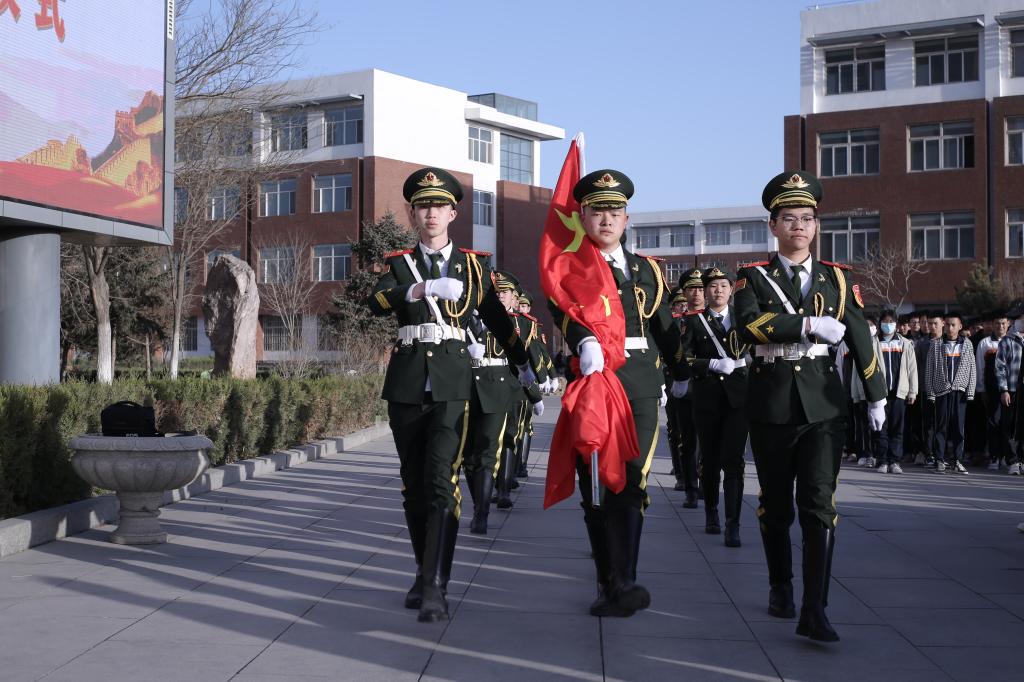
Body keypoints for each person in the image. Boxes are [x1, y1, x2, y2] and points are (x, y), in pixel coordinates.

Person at [367, 167, 534, 623]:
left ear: (453, 213)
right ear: (412, 214)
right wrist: (420, 288)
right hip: (407, 384)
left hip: (453, 386)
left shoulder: (475, 266)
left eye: (439, 206)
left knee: (442, 480)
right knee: (413, 485)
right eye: (423, 206)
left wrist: (523, 362)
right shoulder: (399, 264)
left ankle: (436, 584)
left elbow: (497, 318)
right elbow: (374, 302)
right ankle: (423, 571)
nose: (431, 213)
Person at [734, 170, 886, 643]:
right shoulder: (752, 278)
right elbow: (749, 325)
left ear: (817, 225)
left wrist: (877, 392)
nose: (798, 226)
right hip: (773, 402)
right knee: (777, 505)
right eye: (788, 218)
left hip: (823, 404)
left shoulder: (837, 279)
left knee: (819, 503)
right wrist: (807, 325)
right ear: (773, 226)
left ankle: (815, 608)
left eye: (806, 218)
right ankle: (781, 585)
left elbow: (859, 334)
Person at [548, 168, 687, 618]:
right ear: (583, 217)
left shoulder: (648, 269)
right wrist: (583, 341)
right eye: (597, 211)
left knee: (630, 478)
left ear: (627, 218)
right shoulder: (569, 265)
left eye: (614, 211)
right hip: (594, 381)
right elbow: (562, 312)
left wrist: (682, 370)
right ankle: (608, 580)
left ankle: (624, 579)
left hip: (640, 381)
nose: (606, 219)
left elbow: (664, 324)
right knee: (594, 483)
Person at [681, 266, 751, 546]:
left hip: (738, 400)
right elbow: (684, 358)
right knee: (709, 459)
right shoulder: (693, 322)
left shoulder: (744, 319)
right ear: (705, 291)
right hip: (707, 398)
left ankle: (733, 523)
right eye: (712, 286)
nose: (718, 290)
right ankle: (712, 512)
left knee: (734, 461)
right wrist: (709, 363)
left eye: (723, 285)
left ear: (731, 289)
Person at [858, 309, 918, 474]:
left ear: (896, 324)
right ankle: (883, 460)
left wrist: (912, 392)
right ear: (880, 324)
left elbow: (912, 369)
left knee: (897, 428)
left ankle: (895, 461)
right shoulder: (873, 343)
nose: (888, 325)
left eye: (891, 322)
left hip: (899, 392)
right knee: (881, 428)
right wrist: (866, 392)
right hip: (880, 393)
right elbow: (866, 369)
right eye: (885, 322)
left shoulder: (905, 343)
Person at [925, 313, 976, 474]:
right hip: (942, 391)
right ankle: (939, 459)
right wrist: (930, 392)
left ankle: (957, 460)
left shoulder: (967, 344)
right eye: (947, 324)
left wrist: (970, 391)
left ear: (960, 326)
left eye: (953, 325)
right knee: (941, 426)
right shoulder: (936, 344)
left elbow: (972, 368)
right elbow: (929, 369)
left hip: (959, 392)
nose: (950, 328)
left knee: (959, 427)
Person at [673, 268, 706, 506]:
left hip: (710, 385)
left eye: (701, 288)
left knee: (709, 440)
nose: (697, 293)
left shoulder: (715, 318)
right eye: (691, 289)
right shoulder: (677, 321)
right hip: (685, 386)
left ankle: (705, 483)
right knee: (687, 439)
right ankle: (691, 487)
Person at [664, 287, 695, 501]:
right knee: (675, 428)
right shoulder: (669, 323)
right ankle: (680, 472)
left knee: (694, 429)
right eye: (679, 304)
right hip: (672, 377)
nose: (683, 306)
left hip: (694, 377)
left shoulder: (694, 320)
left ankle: (693, 471)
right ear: (672, 306)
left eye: (685, 303)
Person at [995, 302, 1024, 475]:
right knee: (1010, 425)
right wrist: (1004, 389)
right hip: (1012, 389)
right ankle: (1012, 460)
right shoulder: (1007, 340)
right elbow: (1000, 367)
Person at [977, 312, 1008, 471]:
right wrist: (982, 389)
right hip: (992, 390)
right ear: (992, 325)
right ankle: (994, 456)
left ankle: (1008, 457)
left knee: (1008, 424)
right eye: (997, 323)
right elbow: (980, 367)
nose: (1000, 326)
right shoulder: (985, 343)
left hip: (1011, 391)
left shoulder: (1013, 342)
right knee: (994, 423)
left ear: (1008, 324)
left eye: (1003, 323)